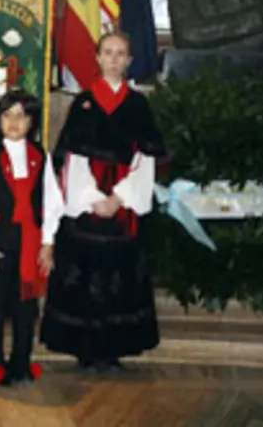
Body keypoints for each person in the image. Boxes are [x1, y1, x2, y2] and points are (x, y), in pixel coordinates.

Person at [39, 32, 167, 372]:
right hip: (88, 209)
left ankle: (113, 350)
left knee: (120, 281)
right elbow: (71, 159)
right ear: (97, 58)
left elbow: (145, 158)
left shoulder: (138, 105)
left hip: (123, 210)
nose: (113, 59)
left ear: (129, 61)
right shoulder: (83, 103)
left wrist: (119, 198)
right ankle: (84, 349)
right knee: (85, 279)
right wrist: (93, 198)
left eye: (120, 53)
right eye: (108, 52)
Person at [0, 90, 63, 385]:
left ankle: (21, 360)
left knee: (26, 306)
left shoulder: (39, 156)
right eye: (7, 116)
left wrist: (48, 242)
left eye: (21, 116)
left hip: (30, 242)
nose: (14, 122)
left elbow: (51, 201)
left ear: (32, 121)